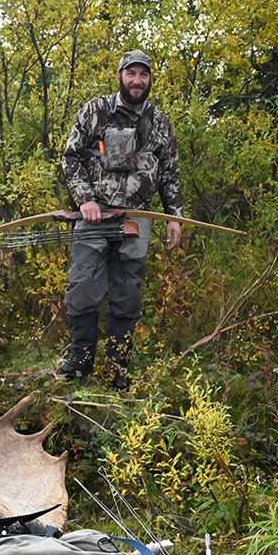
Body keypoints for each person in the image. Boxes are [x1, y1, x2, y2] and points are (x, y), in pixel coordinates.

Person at [59, 49, 183, 390]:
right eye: (132, 74)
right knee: (83, 289)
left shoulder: (160, 122)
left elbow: (170, 171)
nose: (137, 81)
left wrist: (175, 216)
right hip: (94, 217)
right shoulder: (95, 111)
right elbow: (70, 158)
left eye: (143, 75)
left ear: (150, 80)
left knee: (127, 296)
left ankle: (118, 369)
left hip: (136, 220)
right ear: (120, 75)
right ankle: (79, 363)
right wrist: (85, 200)